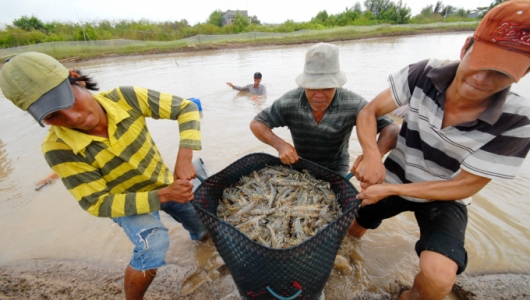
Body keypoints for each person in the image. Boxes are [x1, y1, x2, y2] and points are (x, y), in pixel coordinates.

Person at [348, 1, 530, 299]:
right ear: (466, 46)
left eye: (500, 73)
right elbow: (370, 111)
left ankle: (406, 296)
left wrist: (390, 192)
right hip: (396, 175)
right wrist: (371, 155)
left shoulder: (518, 121)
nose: (482, 79)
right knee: (356, 225)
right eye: (481, 61)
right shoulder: (424, 73)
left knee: (440, 277)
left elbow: (464, 185)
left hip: (444, 193)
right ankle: (352, 251)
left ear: (523, 73)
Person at [0, 52, 208, 300]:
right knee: (154, 245)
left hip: (163, 180)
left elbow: (186, 108)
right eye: (53, 116)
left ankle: (204, 258)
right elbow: (97, 203)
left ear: (76, 78)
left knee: (202, 226)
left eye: (67, 101)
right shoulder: (58, 148)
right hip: (126, 202)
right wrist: (163, 195)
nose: (72, 118)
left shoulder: (125, 98)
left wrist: (184, 156)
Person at [250, 42, 400, 177]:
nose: (319, 95)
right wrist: (281, 145)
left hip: (336, 168)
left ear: (336, 84)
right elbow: (257, 123)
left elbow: (392, 128)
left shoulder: (353, 104)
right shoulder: (290, 102)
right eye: (313, 87)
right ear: (305, 84)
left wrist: (373, 157)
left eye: (327, 87)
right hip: (301, 164)